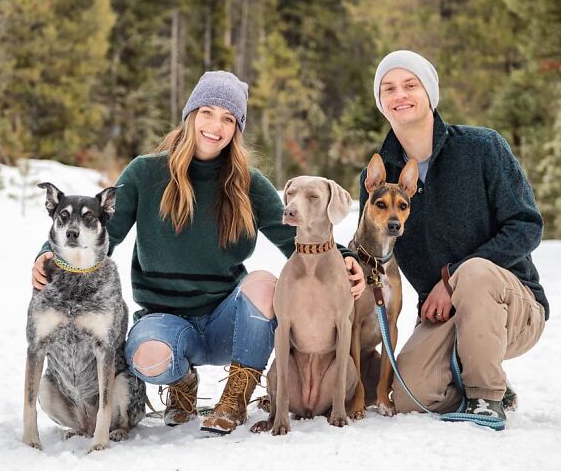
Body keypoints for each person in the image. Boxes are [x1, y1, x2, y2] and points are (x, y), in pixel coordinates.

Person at [32, 70, 365, 436]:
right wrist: (49, 253)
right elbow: (102, 232)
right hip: (166, 319)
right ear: (190, 115)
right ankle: (182, 384)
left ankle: (235, 397)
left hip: (227, 321)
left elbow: (297, 241)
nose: (215, 126)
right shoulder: (146, 173)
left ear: (236, 129)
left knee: (266, 283)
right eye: (207, 112)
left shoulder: (249, 183)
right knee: (146, 357)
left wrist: (346, 256)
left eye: (227, 119)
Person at [359, 50, 548, 422]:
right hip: (443, 312)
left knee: (475, 272)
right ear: (381, 102)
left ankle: (485, 395)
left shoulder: (482, 148)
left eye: (410, 85)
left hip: (513, 306)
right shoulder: (383, 179)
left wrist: (452, 278)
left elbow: (527, 225)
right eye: (389, 88)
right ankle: (476, 370)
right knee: (413, 395)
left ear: (429, 92)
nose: (400, 95)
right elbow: (370, 247)